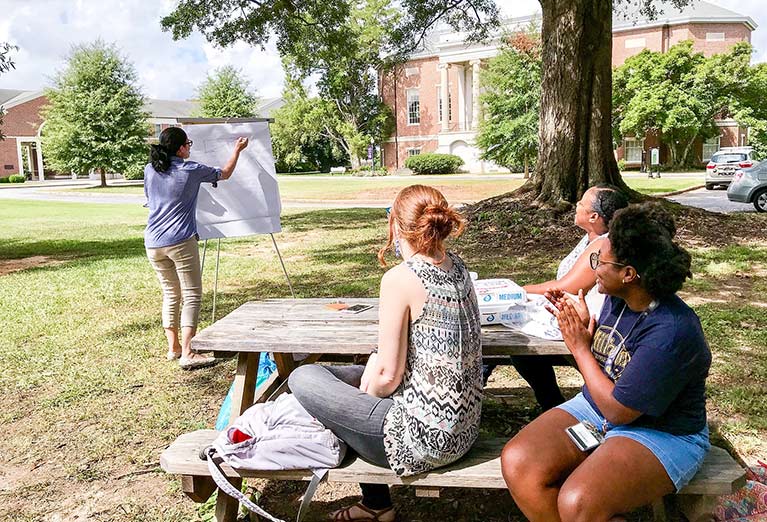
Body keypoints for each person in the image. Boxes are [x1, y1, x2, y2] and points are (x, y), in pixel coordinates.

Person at [501, 203, 711, 521]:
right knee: (518, 461)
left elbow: (619, 411)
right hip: (598, 409)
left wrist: (579, 348)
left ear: (629, 274)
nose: (594, 267)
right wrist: (590, 327)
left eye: (599, 260)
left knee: (577, 502)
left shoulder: (670, 331)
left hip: (662, 433)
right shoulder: (619, 298)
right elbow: (614, 365)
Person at [288, 184, 483, 521]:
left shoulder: (401, 278)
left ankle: (377, 504)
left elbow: (387, 377)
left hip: (423, 438)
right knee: (336, 377)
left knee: (303, 376)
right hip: (464, 429)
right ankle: (375, 506)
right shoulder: (458, 266)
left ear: (395, 225)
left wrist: (365, 397)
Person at [484, 185, 629, 411]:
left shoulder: (602, 245)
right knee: (509, 324)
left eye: (581, 203)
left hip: (582, 323)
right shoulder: (590, 239)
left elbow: (566, 287)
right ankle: (545, 399)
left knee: (516, 332)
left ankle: (550, 402)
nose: (576, 205)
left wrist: (516, 290)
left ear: (594, 216)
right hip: (566, 313)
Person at [144, 126, 248, 370]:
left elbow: (150, 199)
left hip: (153, 242)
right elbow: (224, 173)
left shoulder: (150, 169)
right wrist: (237, 149)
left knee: (171, 294)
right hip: (179, 240)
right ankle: (188, 352)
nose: (190, 147)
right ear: (180, 148)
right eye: (188, 144)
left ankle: (173, 349)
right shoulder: (190, 169)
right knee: (191, 295)